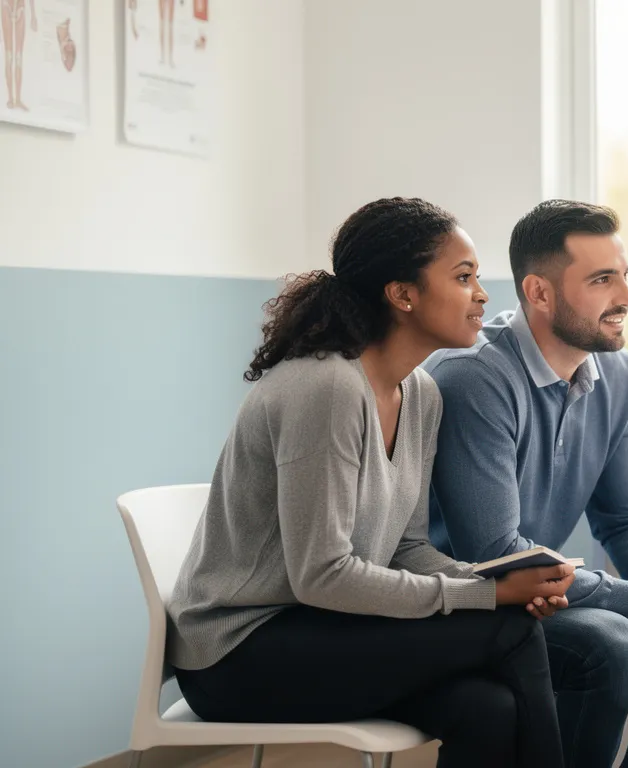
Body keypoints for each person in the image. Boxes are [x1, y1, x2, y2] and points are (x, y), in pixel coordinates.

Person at [167, 197, 572, 768]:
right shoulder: (326, 389)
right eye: (462, 278)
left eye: (477, 277)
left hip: (321, 630)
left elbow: (405, 548)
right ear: (402, 293)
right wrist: (485, 595)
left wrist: (492, 577)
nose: (482, 295)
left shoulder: (421, 393)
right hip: (238, 652)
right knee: (508, 632)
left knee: (488, 708)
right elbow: (322, 575)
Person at [423, 199, 628, 768]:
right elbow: (495, 555)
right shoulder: (475, 380)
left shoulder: (618, 374)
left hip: (546, 595)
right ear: (540, 292)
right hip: (466, 605)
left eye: (625, 276)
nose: (626, 297)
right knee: (609, 643)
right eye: (602, 280)